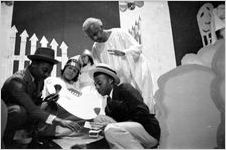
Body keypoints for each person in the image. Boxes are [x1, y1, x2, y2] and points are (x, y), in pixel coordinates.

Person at [1, 47, 79, 148]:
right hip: (7, 117)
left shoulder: (39, 79)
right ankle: (6, 142)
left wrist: (47, 101)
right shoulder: (17, 81)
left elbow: (36, 102)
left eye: (49, 72)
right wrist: (60, 121)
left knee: (49, 106)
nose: (47, 75)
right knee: (19, 111)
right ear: (33, 64)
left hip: (27, 112)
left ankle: (32, 137)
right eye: (45, 70)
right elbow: (32, 109)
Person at [82, 17, 155, 113]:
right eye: (91, 37)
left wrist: (124, 52)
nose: (95, 38)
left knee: (146, 103)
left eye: (96, 33)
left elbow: (138, 48)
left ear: (101, 27)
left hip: (138, 73)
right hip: (121, 81)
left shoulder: (119, 33)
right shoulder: (96, 48)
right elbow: (101, 68)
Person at [90, 63, 161, 149]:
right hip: (127, 130)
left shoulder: (125, 88)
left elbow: (142, 112)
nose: (97, 87)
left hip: (147, 130)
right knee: (99, 119)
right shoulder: (108, 104)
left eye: (99, 83)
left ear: (110, 80)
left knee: (110, 129)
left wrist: (114, 124)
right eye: (95, 85)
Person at [78, 49, 104, 115]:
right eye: (82, 57)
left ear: (89, 57)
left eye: (85, 57)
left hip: (92, 91)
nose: (83, 59)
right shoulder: (81, 69)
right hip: (82, 92)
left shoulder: (95, 67)